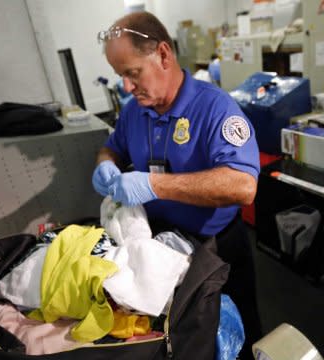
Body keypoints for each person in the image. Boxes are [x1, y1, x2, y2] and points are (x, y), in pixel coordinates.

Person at [93, 11, 261, 360]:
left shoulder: (214, 108)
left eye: (132, 72)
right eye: (120, 76)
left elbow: (243, 185)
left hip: (216, 248)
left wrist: (156, 185)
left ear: (164, 55)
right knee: (185, 335)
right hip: (163, 244)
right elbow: (113, 147)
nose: (126, 86)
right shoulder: (133, 111)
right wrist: (105, 164)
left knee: (236, 333)